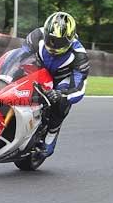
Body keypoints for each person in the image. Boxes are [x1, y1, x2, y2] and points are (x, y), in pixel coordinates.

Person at [22, 12, 90, 157]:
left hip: (61, 80)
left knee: (61, 102)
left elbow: (79, 88)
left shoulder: (79, 55)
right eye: (50, 39)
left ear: (70, 39)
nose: (53, 45)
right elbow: (19, 55)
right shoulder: (36, 35)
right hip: (38, 70)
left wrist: (62, 94)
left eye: (58, 42)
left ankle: (51, 136)